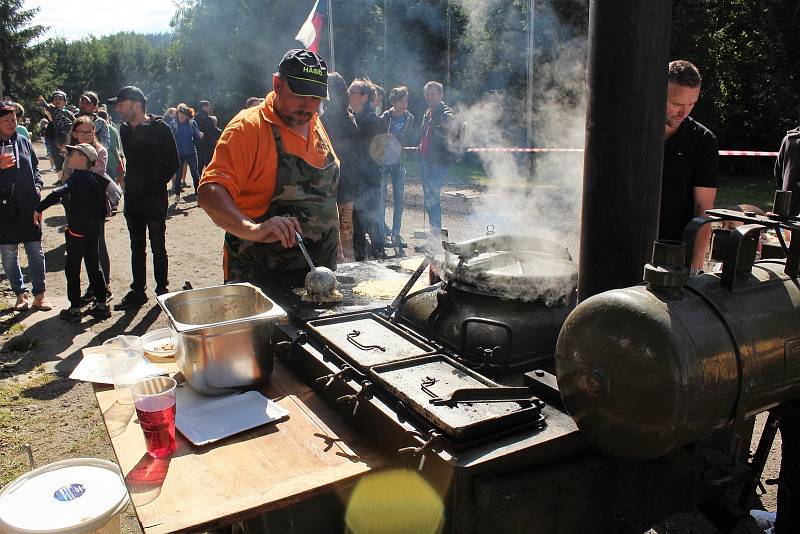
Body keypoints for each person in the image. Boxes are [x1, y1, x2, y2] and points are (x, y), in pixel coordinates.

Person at [198, 48, 340, 292]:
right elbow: (210, 192)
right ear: (277, 84)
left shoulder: (313, 122)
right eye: (299, 95)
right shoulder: (248, 128)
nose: (308, 106)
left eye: (316, 98)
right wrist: (254, 229)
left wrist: (337, 240)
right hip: (261, 283)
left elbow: (326, 194)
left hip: (319, 279)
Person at [108, 86, 179, 309]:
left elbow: (174, 162)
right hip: (133, 199)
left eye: (121, 105)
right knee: (136, 245)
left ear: (136, 104)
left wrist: (157, 184)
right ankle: (138, 291)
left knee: (158, 246)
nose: (118, 109)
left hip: (155, 199)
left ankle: (162, 291)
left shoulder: (161, 129)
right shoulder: (124, 130)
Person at [34, 143, 111, 322]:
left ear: (83, 159)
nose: (68, 157)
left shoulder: (76, 178)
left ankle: (75, 308)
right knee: (94, 267)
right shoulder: (97, 179)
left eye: (73, 154)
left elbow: (58, 193)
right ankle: (101, 305)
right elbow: (102, 209)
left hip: (77, 232)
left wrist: (39, 207)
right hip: (93, 232)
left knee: (72, 269)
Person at [660, 60, 718, 272]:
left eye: (691, 104)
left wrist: (695, 268)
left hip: (674, 254)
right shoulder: (632, 128)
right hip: (626, 244)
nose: (684, 112)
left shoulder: (703, 141)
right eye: (677, 104)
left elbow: (703, 210)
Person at [0, 101, 52, 312]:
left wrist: (38, 185)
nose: (12, 123)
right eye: (6, 120)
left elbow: (36, 169)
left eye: (14, 119)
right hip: (4, 208)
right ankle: (20, 294)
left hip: (29, 204)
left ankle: (40, 294)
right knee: (9, 253)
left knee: (35, 251)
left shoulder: (23, 141)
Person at [61, 116, 112, 304]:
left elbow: (95, 175)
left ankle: (103, 287)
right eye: (83, 132)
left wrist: (72, 174)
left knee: (98, 246)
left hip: (94, 206)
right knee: (77, 250)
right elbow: (65, 177)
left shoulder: (100, 151)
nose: (87, 135)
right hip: (74, 206)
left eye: (90, 132)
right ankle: (91, 292)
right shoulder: (70, 152)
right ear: (74, 133)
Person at [320, 72, 357, 261]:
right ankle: (350, 270)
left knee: (332, 234)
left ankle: (339, 270)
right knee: (346, 233)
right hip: (348, 183)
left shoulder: (323, 121)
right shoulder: (350, 118)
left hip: (331, 183)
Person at [418, 81, 460, 242]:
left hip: (438, 164)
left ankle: (435, 239)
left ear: (441, 95)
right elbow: (425, 135)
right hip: (426, 161)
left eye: (434, 93)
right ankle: (434, 236)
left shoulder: (446, 114)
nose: (431, 96)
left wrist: (446, 154)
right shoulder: (428, 113)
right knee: (430, 199)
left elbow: (454, 137)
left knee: (432, 199)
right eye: (428, 94)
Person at [349, 78, 385, 260]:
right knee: (358, 220)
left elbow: (376, 153)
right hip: (357, 177)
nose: (348, 96)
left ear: (364, 97)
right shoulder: (354, 117)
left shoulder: (372, 120)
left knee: (370, 218)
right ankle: (363, 256)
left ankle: (379, 254)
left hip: (368, 179)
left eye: (352, 92)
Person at [379, 86, 415, 253]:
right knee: (381, 199)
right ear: (394, 102)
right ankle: (380, 233)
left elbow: (407, 138)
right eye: (403, 101)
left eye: (407, 100)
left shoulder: (410, 118)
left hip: (399, 163)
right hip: (384, 162)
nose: (406, 104)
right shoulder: (385, 117)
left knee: (399, 199)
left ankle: (396, 233)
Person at [170, 103, 202, 202]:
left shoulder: (192, 123)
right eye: (179, 116)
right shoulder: (174, 124)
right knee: (178, 174)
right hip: (179, 153)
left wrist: (199, 135)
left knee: (195, 174)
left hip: (191, 152)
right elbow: (170, 138)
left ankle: (198, 195)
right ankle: (177, 195)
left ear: (187, 115)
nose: (181, 118)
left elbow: (197, 137)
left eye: (183, 116)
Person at [38, 90, 74, 174]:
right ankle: (61, 176)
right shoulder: (53, 110)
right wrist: (43, 102)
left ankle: (68, 174)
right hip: (59, 133)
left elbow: (75, 120)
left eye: (60, 99)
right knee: (58, 156)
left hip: (69, 133)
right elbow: (46, 106)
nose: (57, 101)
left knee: (68, 155)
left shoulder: (68, 112)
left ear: (65, 102)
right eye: (55, 99)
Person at [775, 126, 800, 217]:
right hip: (789, 200)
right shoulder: (787, 139)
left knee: (786, 229)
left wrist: (784, 191)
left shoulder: (787, 139)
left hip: (787, 200)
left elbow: (778, 169)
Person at [195, 100, 216, 172]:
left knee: (200, 162)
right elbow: (211, 130)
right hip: (207, 144)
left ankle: (199, 179)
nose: (210, 107)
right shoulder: (206, 118)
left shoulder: (196, 116)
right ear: (204, 107)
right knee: (209, 163)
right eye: (209, 106)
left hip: (198, 143)